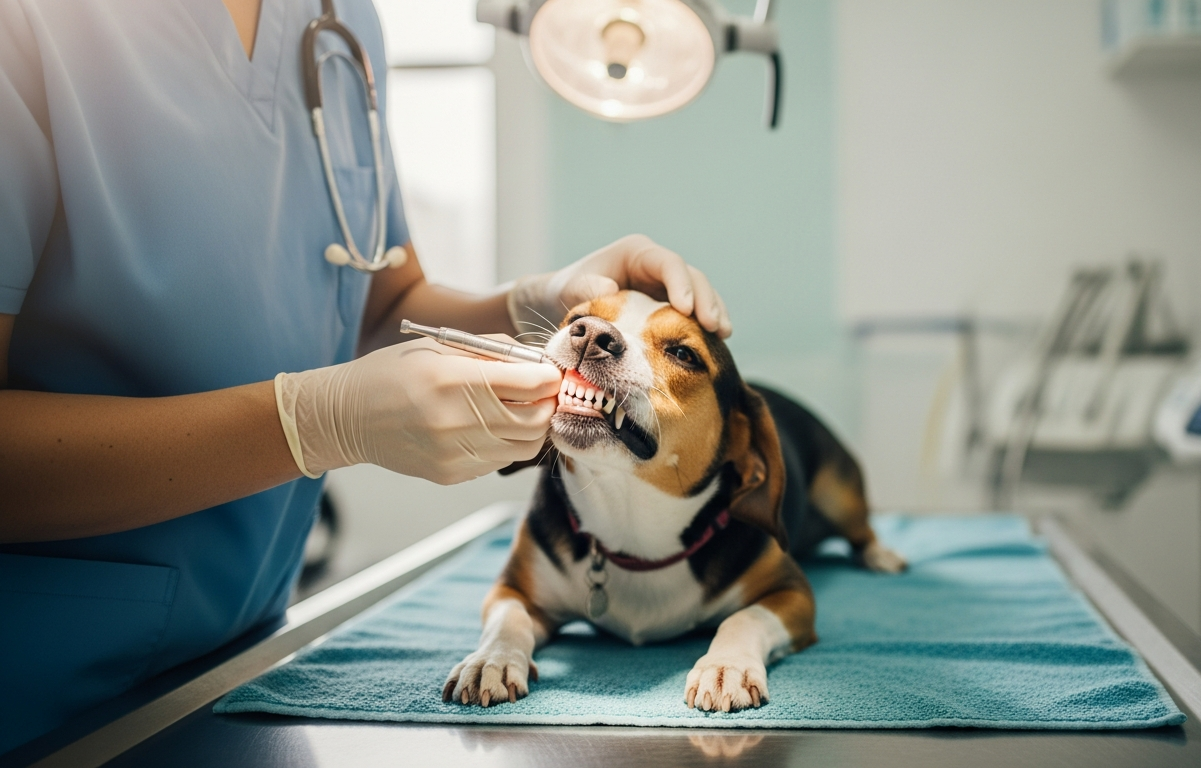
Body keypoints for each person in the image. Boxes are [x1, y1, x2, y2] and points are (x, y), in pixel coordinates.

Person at [0, 0, 731, 754]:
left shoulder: (339, 18)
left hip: (240, 665)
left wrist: (534, 302)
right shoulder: (31, 23)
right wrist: (318, 422)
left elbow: (383, 303)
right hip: (40, 694)